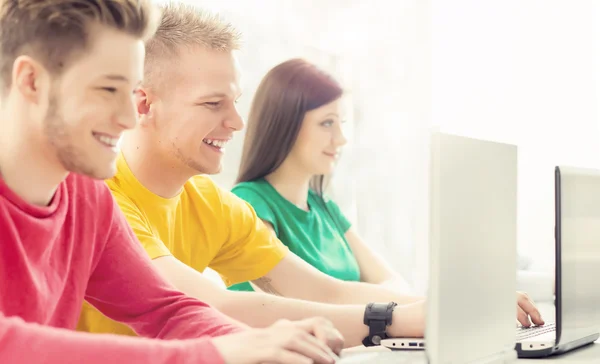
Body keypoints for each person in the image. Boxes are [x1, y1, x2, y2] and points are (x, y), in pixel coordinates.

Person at [76, 2, 544, 348]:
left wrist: (452, 305)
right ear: (144, 104)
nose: (236, 123)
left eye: (235, 101)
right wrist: (397, 318)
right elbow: (205, 307)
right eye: (212, 103)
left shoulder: (211, 203)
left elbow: (323, 288)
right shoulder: (103, 195)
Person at [0, 1, 343, 364]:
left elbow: (164, 310)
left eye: (132, 92)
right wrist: (215, 353)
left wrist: (266, 346)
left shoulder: (88, 198)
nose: (129, 117)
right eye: (107, 90)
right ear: (31, 82)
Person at [230, 58, 411, 295]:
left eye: (341, 123)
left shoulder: (325, 209)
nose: (341, 138)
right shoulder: (248, 203)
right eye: (327, 123)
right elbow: (303, 300)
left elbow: (397, 285)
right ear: (286, 124)